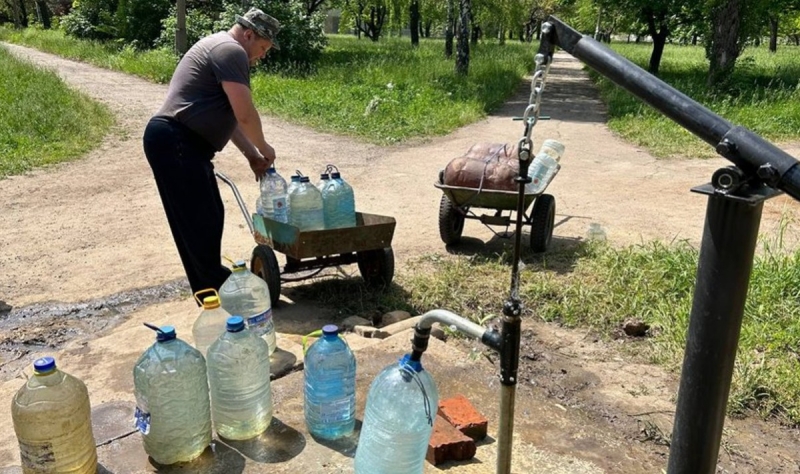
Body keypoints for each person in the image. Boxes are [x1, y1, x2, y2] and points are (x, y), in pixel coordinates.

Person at [142, 8, 281, 295]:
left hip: (180, 143)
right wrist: (265, 147)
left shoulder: (223, 48)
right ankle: (215, 293)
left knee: (209, 215)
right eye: (263, 47)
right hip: (176, 140)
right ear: (249, 34)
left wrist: (252, 155)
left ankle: (212, 290)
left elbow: (226, 118)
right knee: (198, 221)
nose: (262, 55)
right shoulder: (231, 51)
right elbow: (244, 113)